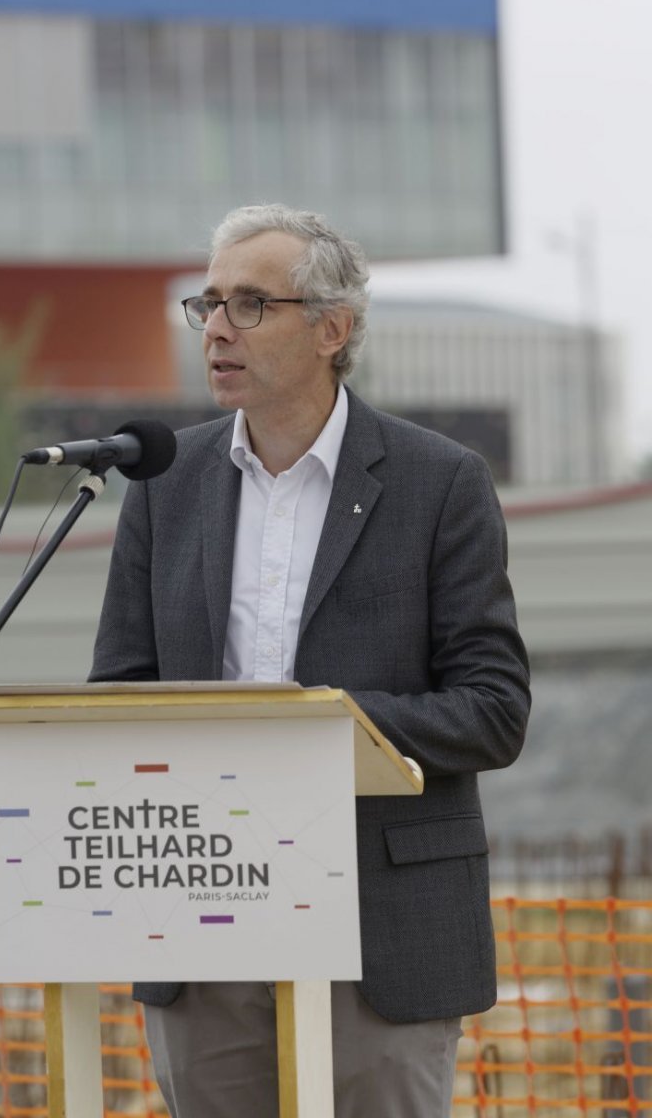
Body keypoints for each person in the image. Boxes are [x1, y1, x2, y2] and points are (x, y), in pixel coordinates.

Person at [89, 203, 530, 1118]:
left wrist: (315, 723)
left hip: (383, 930)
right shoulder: (161, 483)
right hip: (200, 909)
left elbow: (492, 709)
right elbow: (119, 693)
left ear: (333, 329)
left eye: (251, 304)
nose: (216, 326)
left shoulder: (438, 481)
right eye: (208, 303)